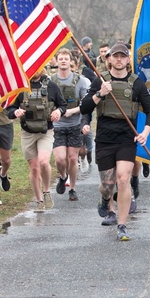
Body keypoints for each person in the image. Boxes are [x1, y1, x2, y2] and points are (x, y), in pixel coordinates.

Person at [78, 42, 150, 242]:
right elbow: (85, 107)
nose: (119, 59)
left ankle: (122, 225)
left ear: (128, 60)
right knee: (107, 184)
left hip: (126, 139)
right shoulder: (99, 81)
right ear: (109, 59)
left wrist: (145, 132)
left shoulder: (137, 83)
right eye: (115, 56)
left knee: (123, 179)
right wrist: (99, 94)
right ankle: (105, 200)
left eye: (123, 56)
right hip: (104, 138)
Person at [7, 69, 65, 211]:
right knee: (34, 167)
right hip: (27, 132)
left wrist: (58, 111)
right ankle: (38, 200)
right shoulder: (20, 87)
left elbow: (62, 105)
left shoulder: (51, 86)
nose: (34, 71)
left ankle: (46, 191)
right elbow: (9, 109)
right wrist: (15, 112)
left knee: (44, 162)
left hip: (46, 131)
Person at [52, 48, 91, 202]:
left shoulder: (80, 81)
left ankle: (73, 188)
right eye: (60, 58)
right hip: (57, 126)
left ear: (71, 62)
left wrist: (72, 111)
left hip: (75, 124)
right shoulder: (51, 81)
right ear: (56, 61)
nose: (63, 61)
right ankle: (63, 176)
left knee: (73, 158)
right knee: (60, 159)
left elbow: (86, 103)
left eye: (66, 58)